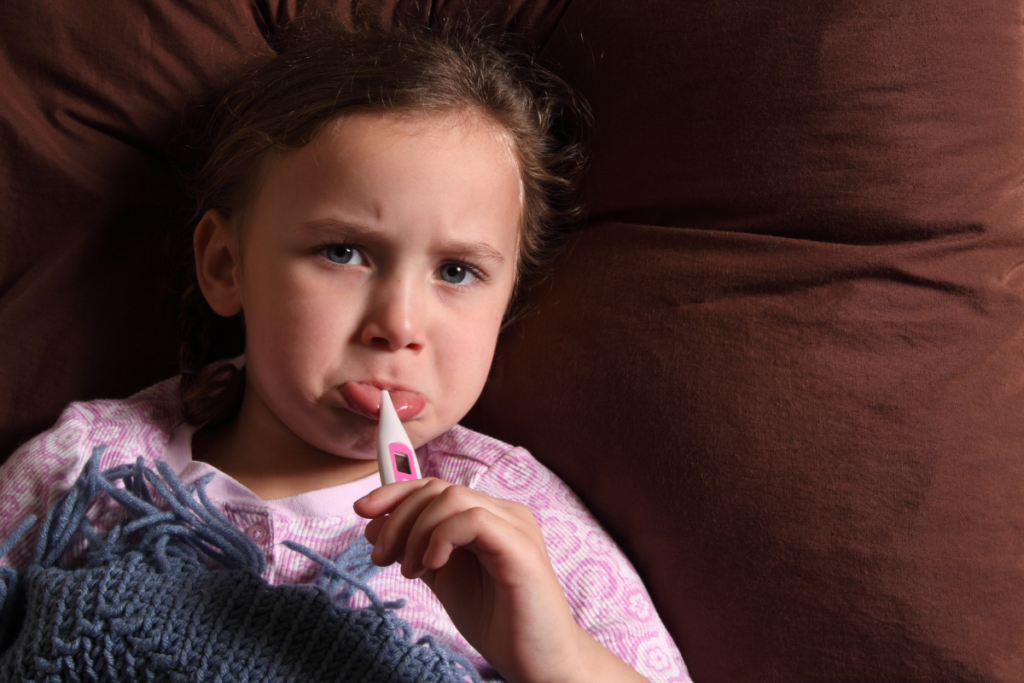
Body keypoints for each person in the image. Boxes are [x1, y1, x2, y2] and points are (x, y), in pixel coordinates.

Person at [0, 25, 689, 683]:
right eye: (343, 252)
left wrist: (556, 655)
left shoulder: (517, 519)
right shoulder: (87, 466)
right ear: (225, 265)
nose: (398, 323)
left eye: (456, 271)